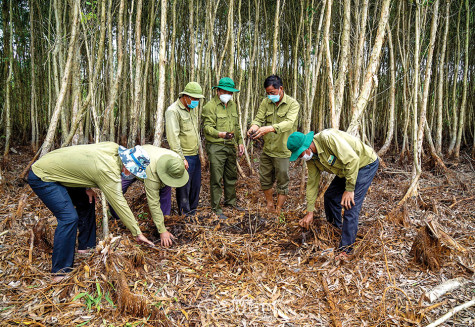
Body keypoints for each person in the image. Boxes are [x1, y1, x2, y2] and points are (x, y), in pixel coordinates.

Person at [27, 143, 154, 281]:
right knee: (69, 218)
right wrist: (137, 232)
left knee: (88, 200)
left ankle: (85, 247)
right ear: (126, 165)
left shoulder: (113, 148)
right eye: (132, 171)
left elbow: (84, 159)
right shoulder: (108, 170)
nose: (130, 175)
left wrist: (87, 186)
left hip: (56, 168)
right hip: (43, 176)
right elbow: (119, 203)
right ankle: (60, 272)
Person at [287, 129, 379, 257]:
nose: (301, 157)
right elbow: (312, 183)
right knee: (330, 197)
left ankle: (346, 250)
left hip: (364, 164)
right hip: (345, 169)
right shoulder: (312, 158)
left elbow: (352, 160)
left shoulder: (328, 139)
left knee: (350, 204)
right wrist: (310, 212)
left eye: (300, 154)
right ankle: (336, 230)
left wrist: (349, 189)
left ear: (306, 146)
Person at [109, 145, 189, 246]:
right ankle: (119, 218)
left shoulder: (176, 160)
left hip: (158, 165)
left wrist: (163, 226)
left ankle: (165, 221)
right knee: (116, 192)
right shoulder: (152, 175)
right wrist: (162, 231)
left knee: (165, 190)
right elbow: (153, 203)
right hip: (135, 163)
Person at [247, 75, 300, 215]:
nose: (270, 96)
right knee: (265, 178)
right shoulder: (266, 102)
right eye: (268, 93)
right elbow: (258, 118)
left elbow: (289, 123)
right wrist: (253, 128)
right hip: (268, 149)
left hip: (283, 150)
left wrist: (269, 128)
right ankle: (270, 204)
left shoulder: (293, 104)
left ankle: (278, 208)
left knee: (283, 181)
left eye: (272, 93)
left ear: (280, 89)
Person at [202, 77, 245, 219]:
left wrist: (239, 141)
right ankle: (216, 207)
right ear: (218, 91)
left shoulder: (232, 105)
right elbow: (207, 127)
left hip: (230, 145)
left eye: (231, 92)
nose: (229, 95)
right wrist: (219, 134)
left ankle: (231, 202)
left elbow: (236, 125)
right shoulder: (210, 106)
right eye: (226, 91)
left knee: (231, 175)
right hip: (216, 146)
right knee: (216, 177)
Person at [165, 82, 205, 216]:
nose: (196, 102)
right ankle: (185, 215)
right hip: (184, 156)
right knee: (184, 188)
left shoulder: (191, 109)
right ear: (185, 96)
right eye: (194, 99)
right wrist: (181, 158)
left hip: (194, 154)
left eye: (198, 99)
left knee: (195, 186)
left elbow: (195, 132)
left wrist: (201, 153)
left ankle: (193, 212)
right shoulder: (173, 111)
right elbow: (173, 137)